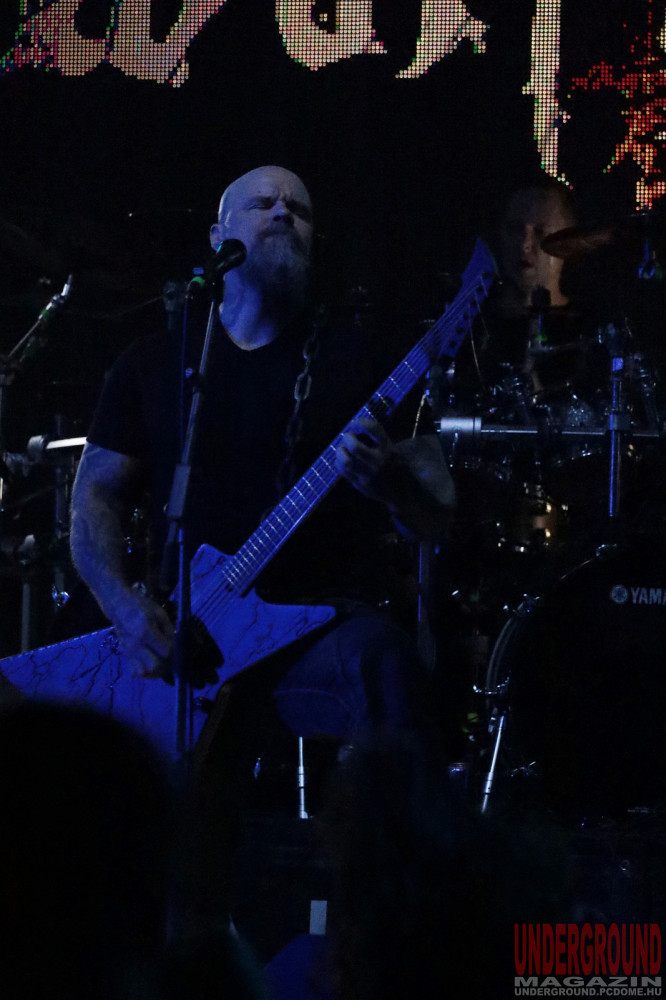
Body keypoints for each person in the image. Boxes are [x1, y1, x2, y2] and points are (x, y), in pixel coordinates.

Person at [69, 164, 455, 743]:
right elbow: (94, 494)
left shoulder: (363, 362)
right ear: (217, 237)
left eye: (299, 211)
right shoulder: (152, 362)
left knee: (383, 665)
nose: (282, 214)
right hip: (186, 636)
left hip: (315, 629)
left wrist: (393, 483)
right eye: (263, 204)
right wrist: (123, 608)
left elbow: (438, 516)